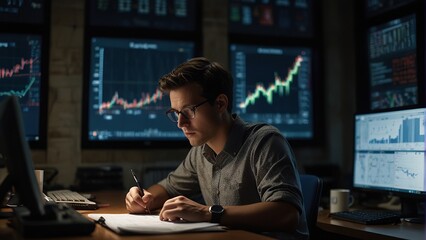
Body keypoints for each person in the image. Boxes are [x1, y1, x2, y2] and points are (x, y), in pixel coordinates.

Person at [125, 57, 309, 239]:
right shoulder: (200, 151)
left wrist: (209, 213)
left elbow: (287, 213)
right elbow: (167, 188)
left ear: (220, 103)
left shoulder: (265, 142)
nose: (181, 123)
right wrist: (144, 198)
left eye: (189, 111)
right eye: (176, 113)